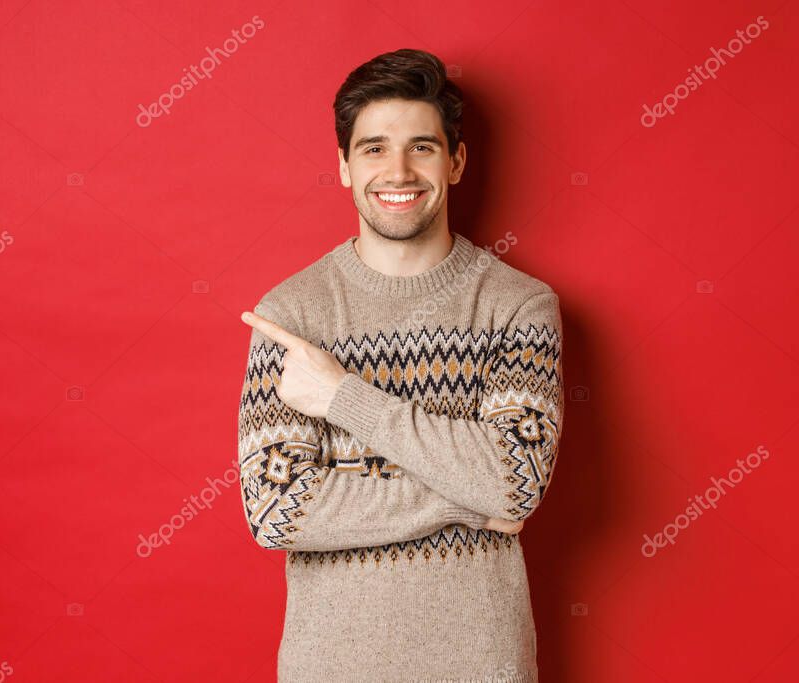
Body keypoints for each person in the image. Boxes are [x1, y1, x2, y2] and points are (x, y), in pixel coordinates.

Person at [237, 47, 564, 683]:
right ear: (342, 166)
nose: (399, 170)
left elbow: (513, 483)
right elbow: (277, 510)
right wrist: (470, 501)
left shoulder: (519, 306)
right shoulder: (291, 314)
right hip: (329, 666)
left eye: (422, 146)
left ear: (457, 161)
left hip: (482, 663)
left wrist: (341, 397)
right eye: (374, 148)